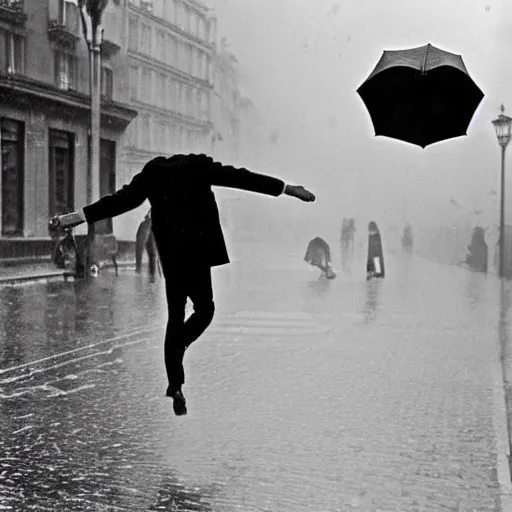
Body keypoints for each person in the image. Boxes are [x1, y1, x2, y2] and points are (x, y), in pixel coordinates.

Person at [53, 153, 315, 416]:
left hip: (172, 255)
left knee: (175, 316)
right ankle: (180, 345)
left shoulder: (152, 173)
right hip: (198, 251)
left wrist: (75, 217)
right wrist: (287, 188)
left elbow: (120, 202)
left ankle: (175, 384)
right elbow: (241, 178)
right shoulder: (198, 166)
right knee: (205, 310)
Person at [135, 209, 159, 281]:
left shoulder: (144, 224)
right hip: (150, 225)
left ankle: (139, 270)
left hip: (149, 225)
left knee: (142, 249)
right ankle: (152, 276)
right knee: (152, 253)